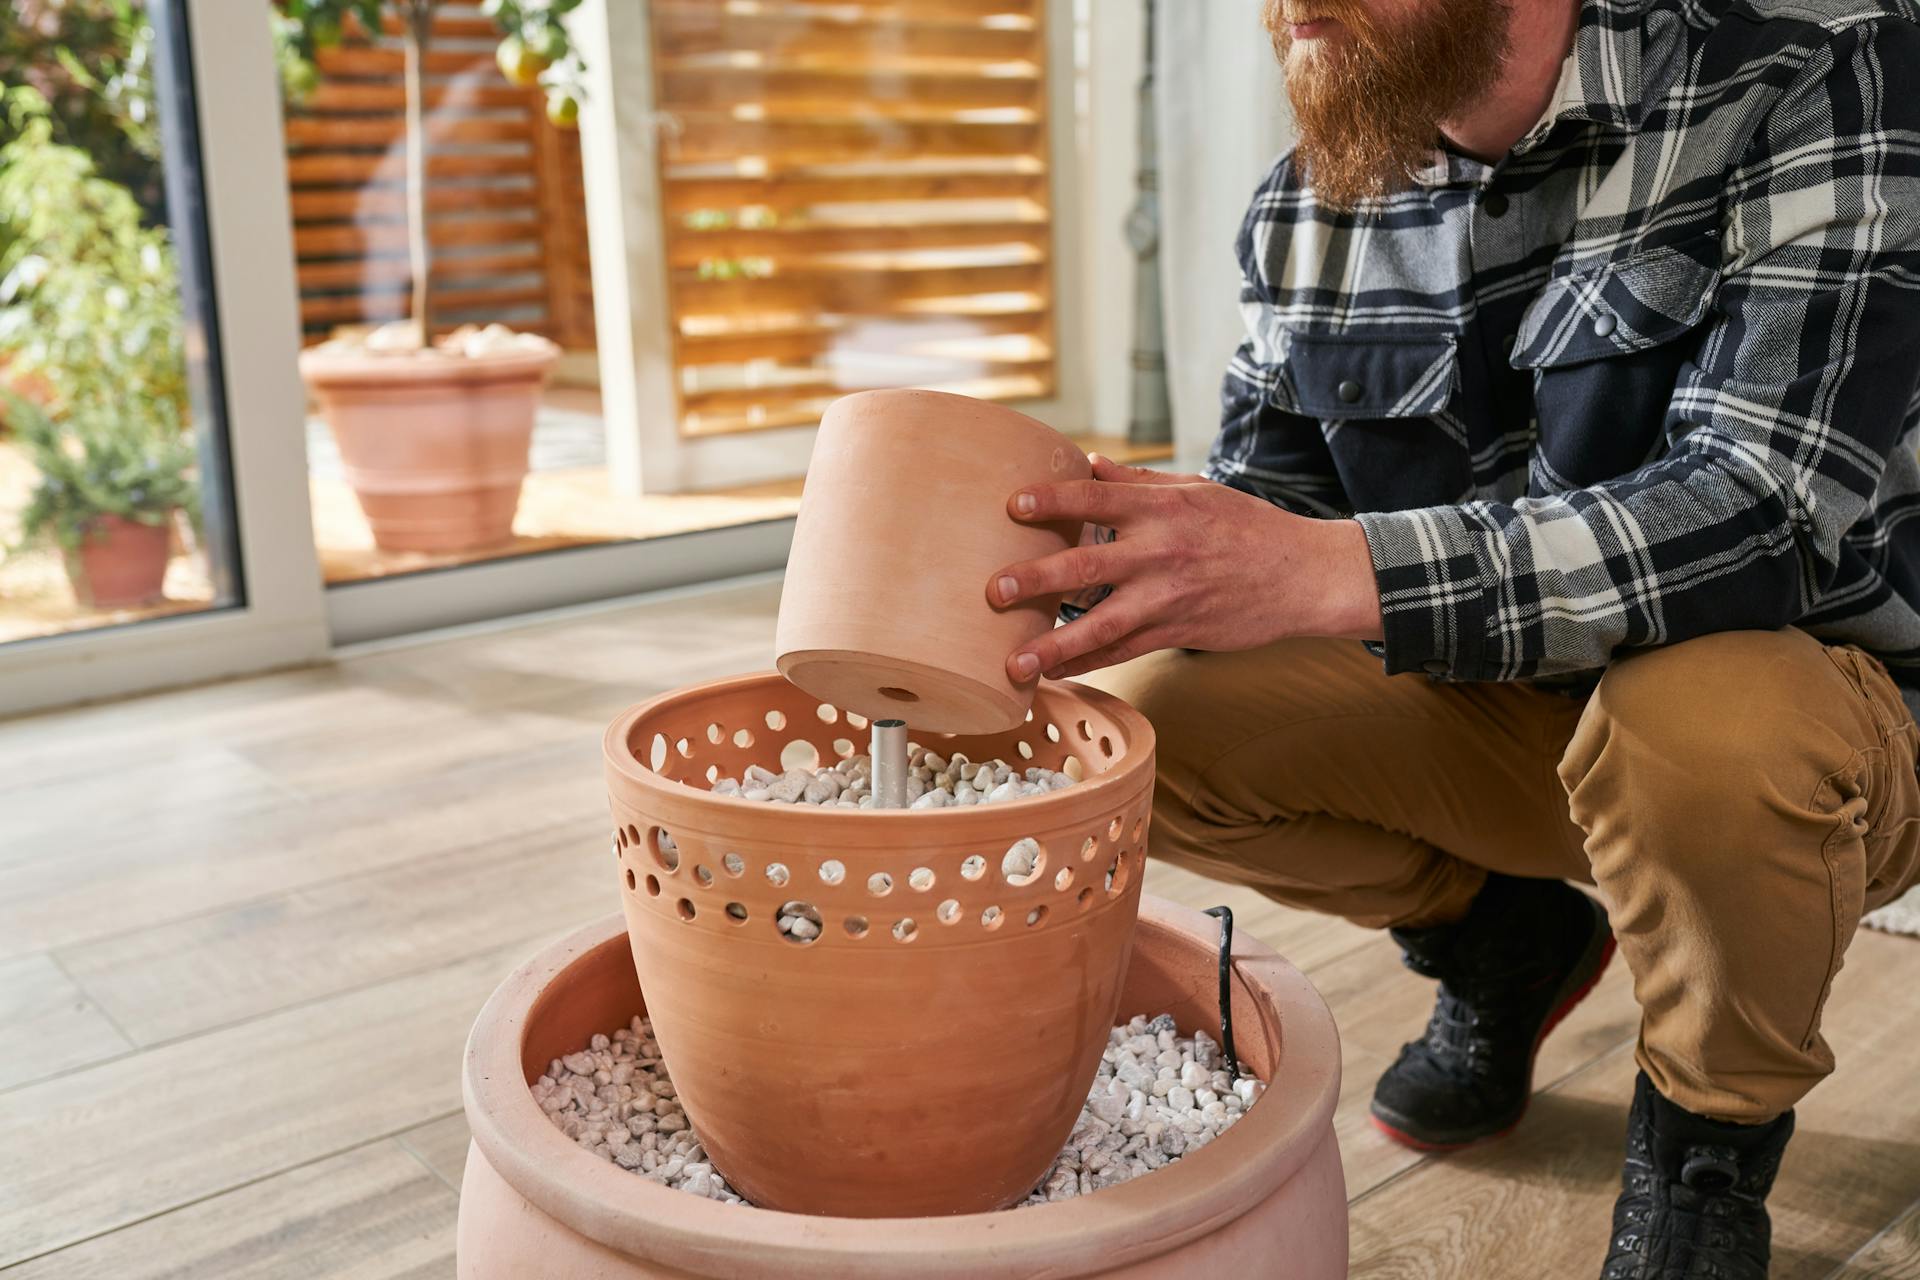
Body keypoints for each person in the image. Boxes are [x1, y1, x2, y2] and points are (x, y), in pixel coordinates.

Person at [986, 0, 1920, 1275]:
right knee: (1145, 722)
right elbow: (1272, 527)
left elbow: (1765, 513)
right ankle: (1505, 942)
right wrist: (1095, 569)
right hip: (1529, 722)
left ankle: (1706, 1141)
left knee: (1701, 718)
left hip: (1822, 745)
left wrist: (1333, 566)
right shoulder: (1311, 201)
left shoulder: (1817, 69)